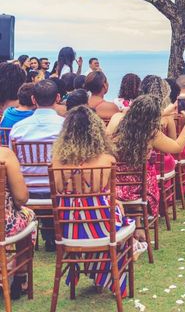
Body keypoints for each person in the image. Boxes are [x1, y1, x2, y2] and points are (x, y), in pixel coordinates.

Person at [51, 105, 141, 296]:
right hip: (101, 227)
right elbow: (107, 192)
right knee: (122, 218)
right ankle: (107, 272)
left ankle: (94, 270)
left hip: (69, 227)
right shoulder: (107, 160)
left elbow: (59, 191)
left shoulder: (57, 162)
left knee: (114, 211)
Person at [109, 95, 185, 241]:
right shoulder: (151, 134)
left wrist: (164, 112)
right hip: (139, 189)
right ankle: (139, 224)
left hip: (114, 185)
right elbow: (177, 147)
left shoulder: (116, 120)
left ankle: (134, 224)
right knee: (147, 170)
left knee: (136, 171)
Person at [9, 79, 65, 251]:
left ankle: (39, 234)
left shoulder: (18, 128)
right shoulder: (65, 127)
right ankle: (53, 235)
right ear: (57, 97)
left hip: (26, 189)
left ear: (33, 100)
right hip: (57, 188)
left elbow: (14, 163)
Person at [0, 145, 37, 299]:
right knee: (29, 215)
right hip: (3, 224)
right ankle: (20, 279)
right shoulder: (4, 155)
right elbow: (22, 197)